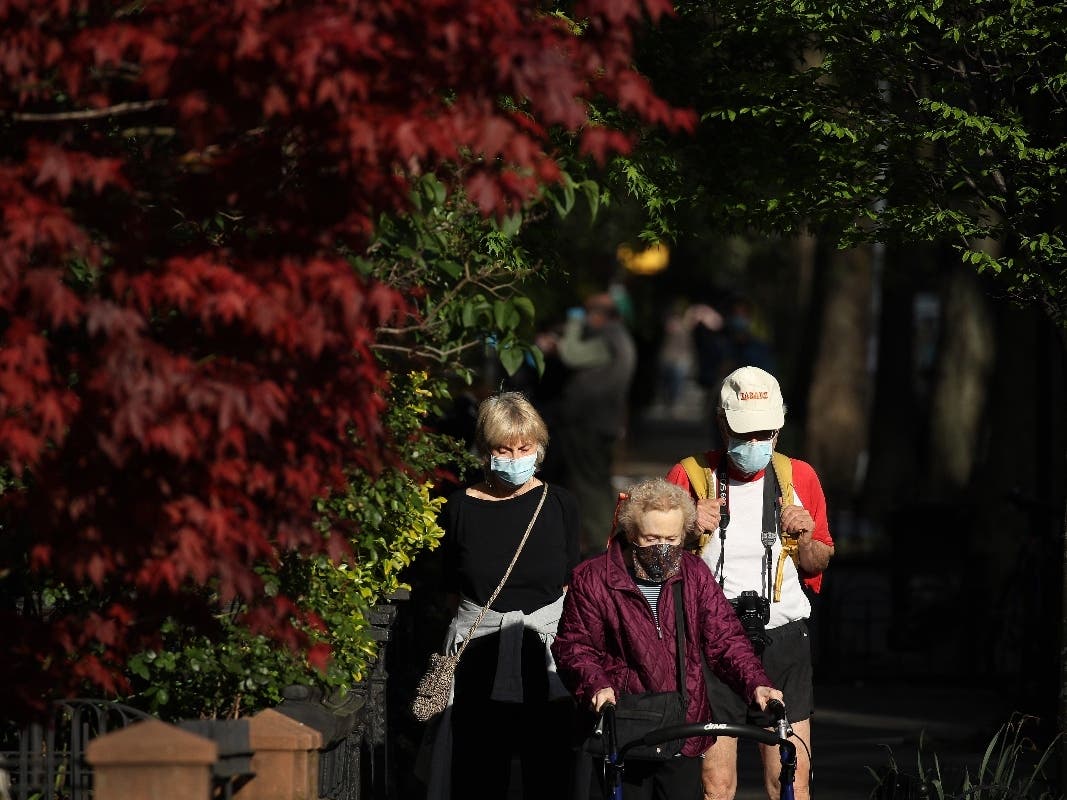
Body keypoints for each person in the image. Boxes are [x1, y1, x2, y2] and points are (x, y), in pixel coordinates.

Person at [552, 477, 782, 800]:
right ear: (632, 534)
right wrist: (595, 686)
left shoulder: (694, 574)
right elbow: (574, 647)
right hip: (624, 727)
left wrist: (756, 683)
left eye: (672, 538)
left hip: (683, 730)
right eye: (652, 537)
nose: (663, 547)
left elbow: (726, 640)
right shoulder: (593, 579)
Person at [665, 366, 834, 800]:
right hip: (711, 642)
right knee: (716, 784)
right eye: (745, 432)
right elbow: (650, 567)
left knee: (791, 781)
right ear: (722, 422)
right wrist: (683, 532)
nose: (755, 443)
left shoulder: (800, 477)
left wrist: (807, 534)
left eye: (766, 432)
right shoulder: (688, 476)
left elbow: (819, 563)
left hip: (782, 639)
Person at [423, 392, 581, 800]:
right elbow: (448, 586)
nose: (515, 457)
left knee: (549, 776)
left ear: (539, 448)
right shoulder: (458, 508)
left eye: (524, 448)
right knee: (478, 774)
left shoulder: (560, 504)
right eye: (503, 449)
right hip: (477, 658)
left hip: (547, 660)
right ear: (486, 450)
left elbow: (568, 581)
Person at [537, 292, 637, 556]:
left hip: (588, 423)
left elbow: (572, 354)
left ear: (598, 315)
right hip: (600, 422)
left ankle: (598, 545)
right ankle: (603, 540)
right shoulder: (620, 337)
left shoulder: (608, 339)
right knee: (597, 482)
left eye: (587, 313)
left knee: (588, 485)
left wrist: (572, 325)